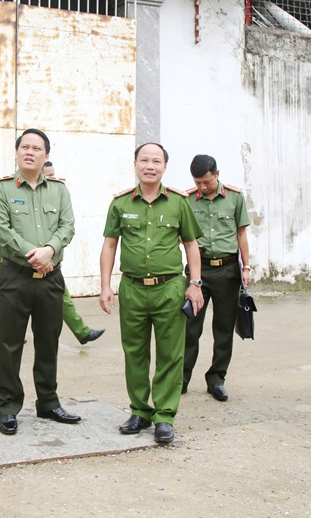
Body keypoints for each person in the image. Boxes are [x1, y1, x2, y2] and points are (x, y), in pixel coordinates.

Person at [99, 143, 204, 445]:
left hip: (170, 288)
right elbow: (109, 245)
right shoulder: (120, 204)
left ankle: (164, 416)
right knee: (135, 352)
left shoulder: (178, 203)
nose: (150, 165)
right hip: (132, 288)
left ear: (164, 167)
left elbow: (191, 245)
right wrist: (106, 286)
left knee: (171, 354)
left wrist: (194, 284)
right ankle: (140, 411)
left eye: (156, 161)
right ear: (135, 164)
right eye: (144, 160)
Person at [0, 129, 79, 435]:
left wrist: (50, 250)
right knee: (9, 343)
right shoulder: (0, 189)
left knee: (48, 341)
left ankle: (48, 402)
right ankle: (8, 407)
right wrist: (33, 253)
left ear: (46, 156)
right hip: (16, 276)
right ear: (16, 153)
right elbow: (1, 229)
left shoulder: (59, 190)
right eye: (24, 147)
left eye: (36, 148)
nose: (30, 152)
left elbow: (67, 226)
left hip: (51, 277)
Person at [181, 154, 252, 401]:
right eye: (198, 182)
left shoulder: (234, 198)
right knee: (190, 327)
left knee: (223, 328)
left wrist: (246, 267)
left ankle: (217, 379)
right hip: (197, 271)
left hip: (227, 271)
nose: (203, 187)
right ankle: (182, 378)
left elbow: (241, 234)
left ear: (217, 174)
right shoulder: (187, 200)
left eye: (207, 182)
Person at [43, 161, 105, 346]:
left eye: (53, 174)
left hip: (51, 262)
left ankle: (82, 332)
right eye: (48, 176)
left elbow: (65, 227)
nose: (52, 179)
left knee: (63, 298)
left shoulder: (58, 195)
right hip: (26, 263)